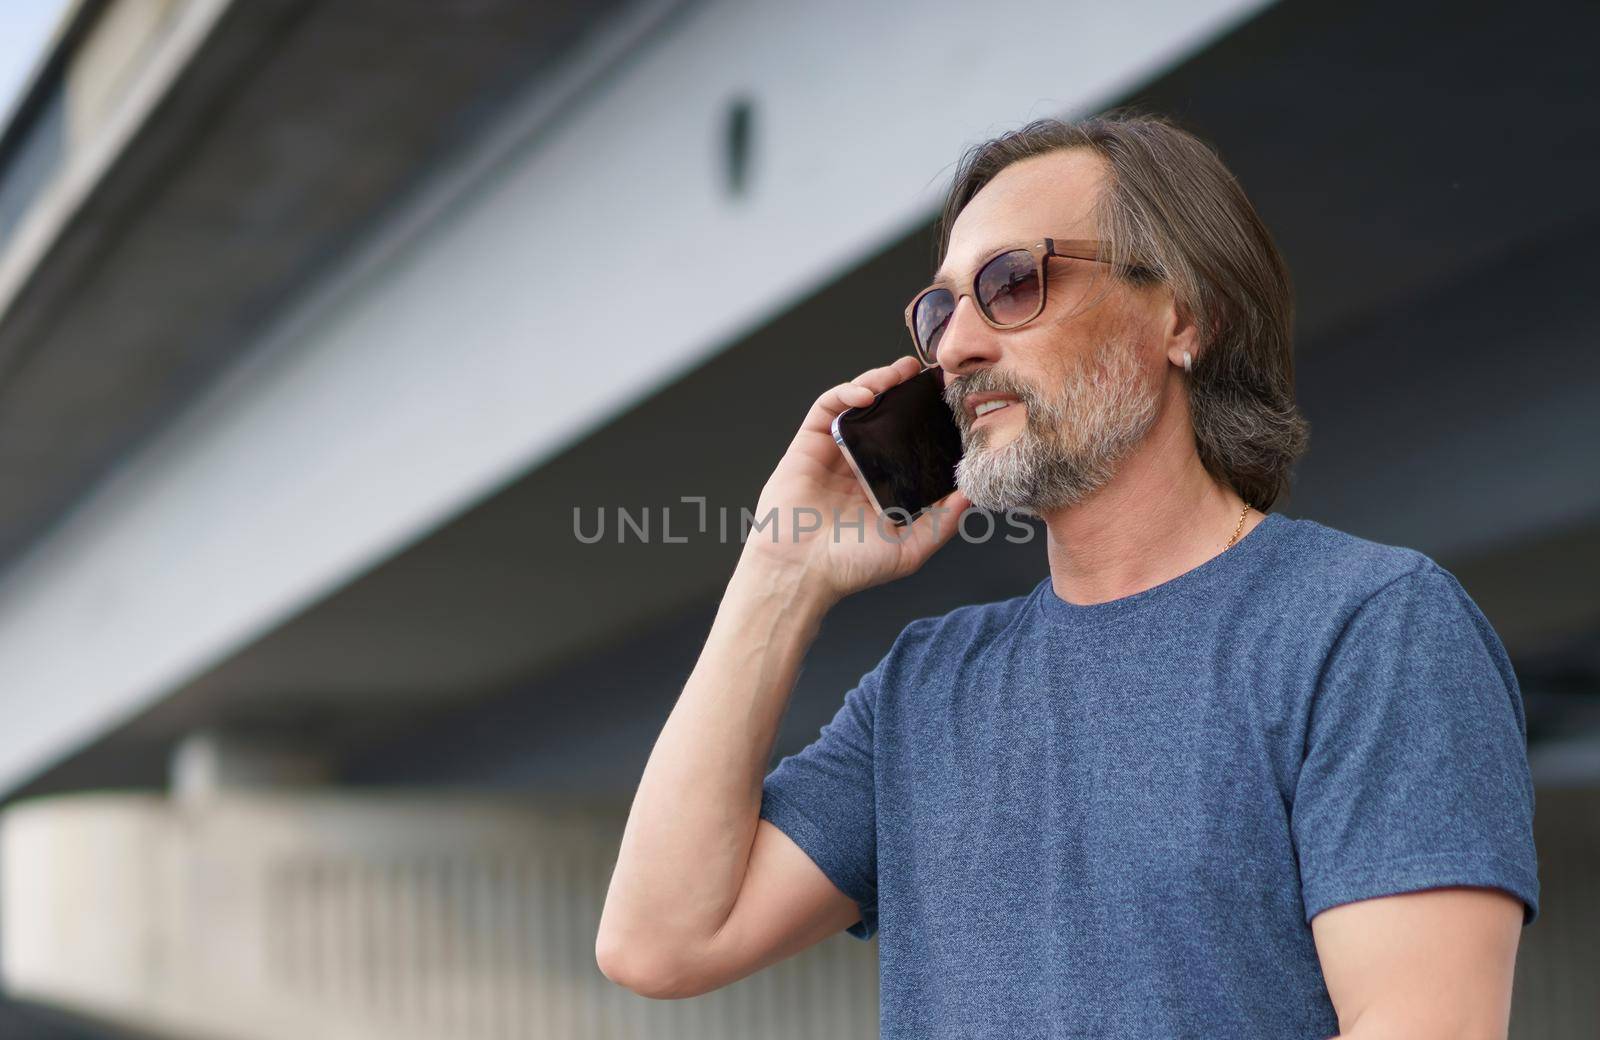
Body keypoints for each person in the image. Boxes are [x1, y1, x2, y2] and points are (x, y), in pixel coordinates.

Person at [595, 110, 1539, 1039]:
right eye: (941, 308)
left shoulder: (1367, 627)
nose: (957, 346)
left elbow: (1424, 1024)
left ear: (1181, 315)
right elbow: (662, 943)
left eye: (1012, 283)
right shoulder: (927, 687)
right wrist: (782, 572)